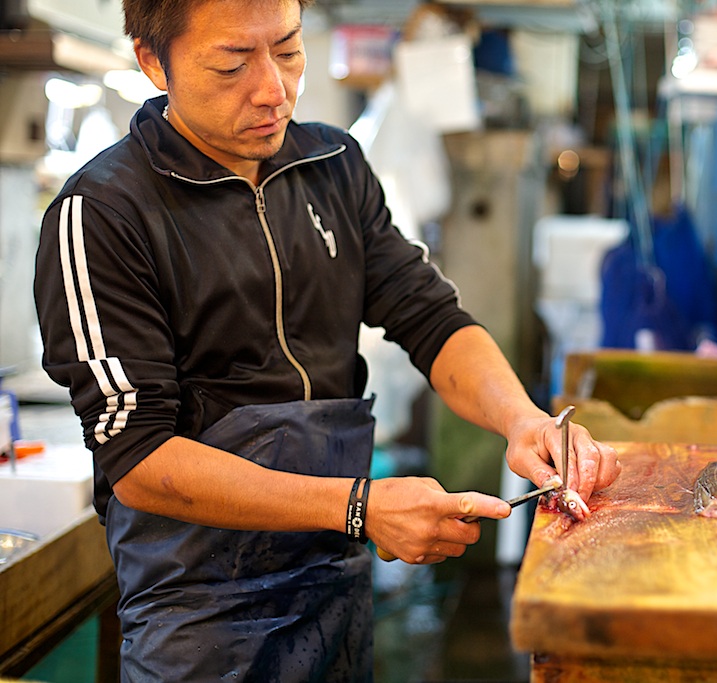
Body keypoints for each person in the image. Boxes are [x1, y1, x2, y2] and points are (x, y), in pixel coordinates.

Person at [32, 0, 621, 680]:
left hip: (335, 592)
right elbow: (139, 457)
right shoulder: (104, 213)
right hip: (197, 621)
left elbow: (430, 317)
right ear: (151, 61)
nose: (273, 90)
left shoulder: (333, 166)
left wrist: (523, 420)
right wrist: (358, 505)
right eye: (232, 64)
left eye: (287, 50)